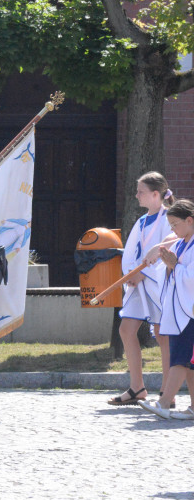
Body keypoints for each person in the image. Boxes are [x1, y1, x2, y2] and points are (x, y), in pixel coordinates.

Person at [107, 171, 174, 406]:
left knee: (162, 335)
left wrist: (143, 273)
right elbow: (133, 251)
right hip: (137, 284)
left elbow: (167, 251)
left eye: (141, 192)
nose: (136, 196)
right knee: (126, 329)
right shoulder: (142, 220)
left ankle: (168, 392)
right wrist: (131, 274)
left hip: (156, 284)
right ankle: (137, 387)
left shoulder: (169, 219)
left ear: (156, 194)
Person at [138, 199, 194, 419]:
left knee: (180, 358)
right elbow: (171, 273)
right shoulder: (181, 243)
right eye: (170, 225)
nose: (172, 229)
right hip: (180, 310)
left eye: (175, 224)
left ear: (189, 220)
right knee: (189, 362)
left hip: (188, 312)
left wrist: (174, 266)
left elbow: (190, 278)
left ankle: (163, 403)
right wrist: (168, 266)